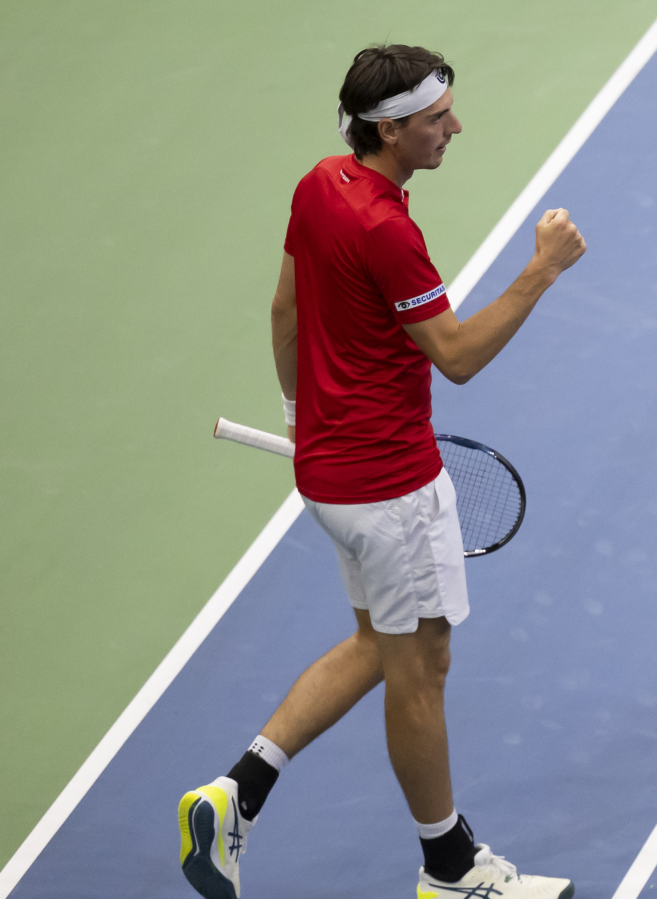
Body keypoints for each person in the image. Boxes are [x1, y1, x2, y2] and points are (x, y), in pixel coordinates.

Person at [177, 44, 586, 899]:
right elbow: (459, 356)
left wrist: (301, 417)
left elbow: (287, 309)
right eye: (438, 119)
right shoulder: (386, 229)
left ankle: (233, 794)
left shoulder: (320, 185)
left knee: (378, 643)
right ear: (391, 128)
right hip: (392, 487)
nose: (456, 128)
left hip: (332, 475)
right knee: (421, 669)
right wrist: (542, 268)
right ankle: (452, 870)